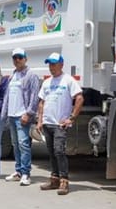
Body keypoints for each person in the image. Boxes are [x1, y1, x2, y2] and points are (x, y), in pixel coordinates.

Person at [36, 52, 84, 195]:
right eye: (50, 64)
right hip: (47, 123)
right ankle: (54, 179)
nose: (51, 67)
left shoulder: (68, 80)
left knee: (59, 151)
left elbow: (79, 98)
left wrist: (71, 118)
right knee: (51, 152)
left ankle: (64, 180)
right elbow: (41, 103)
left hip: (60, 125)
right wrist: (40, 120)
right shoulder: (47, 82)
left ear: (61, 64)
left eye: (54, 64)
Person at [1, 47, 40, 186]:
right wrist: (5, 114)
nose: (17, 60)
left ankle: (26, 173)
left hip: (22, 116)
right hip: (12, 116)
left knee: (24, 145)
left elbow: (35, 97)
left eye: (20, 57)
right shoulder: (13, 75)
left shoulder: (31, 76)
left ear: (25, 59)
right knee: (15, 144)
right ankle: (18, 171)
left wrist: (28, 114)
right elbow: (7, 96)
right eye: (15, 58)